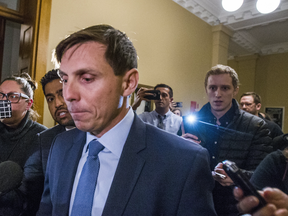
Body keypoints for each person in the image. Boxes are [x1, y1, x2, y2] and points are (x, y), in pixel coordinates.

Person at [37, 24, 216, 216]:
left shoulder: (184, 162)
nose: (69, 95)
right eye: (65, 80)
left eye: (87, 78)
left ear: (129, 83)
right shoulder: (60, 146)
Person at [182, 64, 272, 215]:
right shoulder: (190, 122)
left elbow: (263, 175)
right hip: (196, 204)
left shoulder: (256, 126)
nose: (217, 94)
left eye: (225, 88)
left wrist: (237, 176)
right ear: (206, 90)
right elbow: (178, 171)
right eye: (212, 88)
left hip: (235, 207)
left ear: (235, 90)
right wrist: (179, 149)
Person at [0, 73, 47, 216]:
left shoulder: (42, 137)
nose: (4, 101)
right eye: (1, 95)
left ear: (29, 104)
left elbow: (31, 198)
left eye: (13, 96)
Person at [39, 69, 75, 173]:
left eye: (62, 94)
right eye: (50, 99)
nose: (57, 104)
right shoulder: (45, 139)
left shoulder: (96, 132)